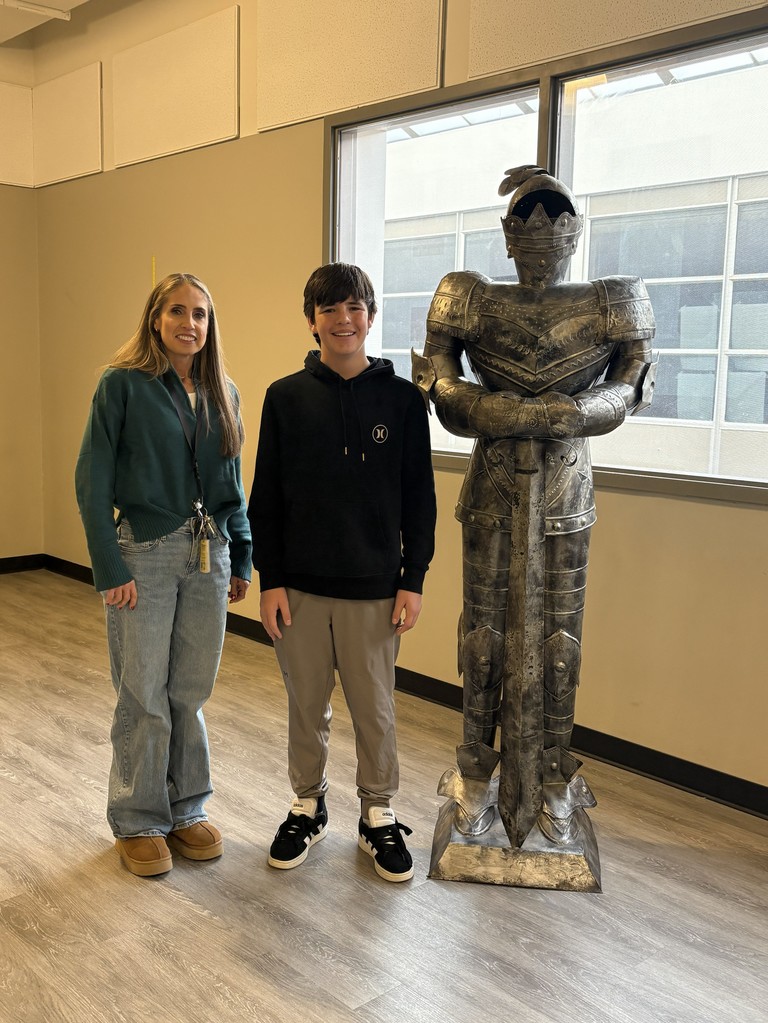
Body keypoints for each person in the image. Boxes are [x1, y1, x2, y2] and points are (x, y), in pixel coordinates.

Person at [414, 166, 655, 877]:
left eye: (554, 216)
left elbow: (634, 380)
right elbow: (436, 376)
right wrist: (493, 412)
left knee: (559, 640)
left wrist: (573, 414)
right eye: (529, 217)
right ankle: (475, 776)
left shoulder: (614, 297)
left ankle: (553, 779)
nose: (542, 231)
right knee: (483, 637)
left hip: (566, 487)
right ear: (508, 231)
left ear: (574, 228)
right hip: (491, 486)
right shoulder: (468, 294)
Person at [248, 262, 436, 882]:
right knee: (306, 704)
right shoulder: (284, 398)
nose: (343, 320)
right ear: (312, 322)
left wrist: (413, 579)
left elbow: (420, 499)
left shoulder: (404, 401)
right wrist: (269, 578)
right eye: (329, 309)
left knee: (374, 708)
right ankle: (309, 803)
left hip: (375, 589)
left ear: (370, 317)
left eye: (354, 308)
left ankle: (377, 814)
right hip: (299, 589)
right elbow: (265, 497)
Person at [75, 272, 252, 877]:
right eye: (177, 311)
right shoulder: (122, 385)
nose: (189, 323)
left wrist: (243, 554)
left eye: (200, 314)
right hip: (143, 552)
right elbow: (92, 478)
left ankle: (186, 807)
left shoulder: (224, 390)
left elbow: (233, 487)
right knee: (143, 692)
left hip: (210, 555)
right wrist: (109, 565)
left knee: (190, 693)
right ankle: (137, 818)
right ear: (155, 319)